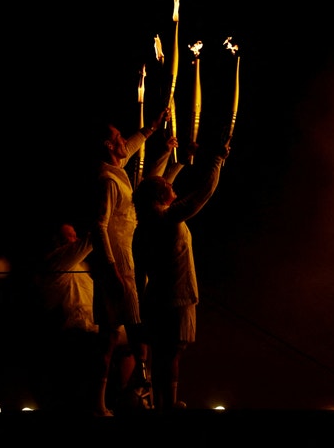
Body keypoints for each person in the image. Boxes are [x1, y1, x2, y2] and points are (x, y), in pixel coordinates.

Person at [132, 138, 229, 411]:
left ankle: (163, 403)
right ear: (160, 197)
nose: (172, 187)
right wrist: (216, 162)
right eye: (168, 187)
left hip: (155, 300)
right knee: (171, 353)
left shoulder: (142, 229)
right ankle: (168, 405)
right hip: (177, 296)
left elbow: (140, 275)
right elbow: (203, 194)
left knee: (163, 354)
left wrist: (138, 308)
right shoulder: (167, 218)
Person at [87, 107, 170, 416]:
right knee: (115, 335)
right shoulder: (107, 179)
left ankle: (133, 393)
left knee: (129, 333)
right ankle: (108, 400)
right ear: (108, 145)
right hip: (117, 264)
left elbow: (130, 149)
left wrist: (150, 129)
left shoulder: (115, 167)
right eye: (117, 137)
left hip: (125, 260)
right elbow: (99, 225)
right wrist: (111, 270)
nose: (123, 140)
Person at [31, 222, 97, 411]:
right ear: (58, 242)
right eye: (71, 235)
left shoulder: (80, 266)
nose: (76, 239)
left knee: (136, 338)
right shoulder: (56, 260)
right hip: (76, 332)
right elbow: (89, 241)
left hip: (92, 328)